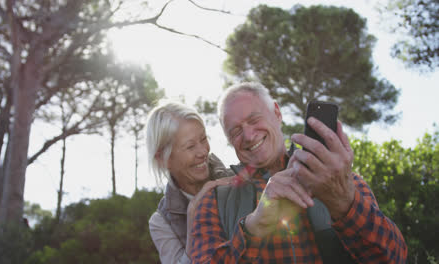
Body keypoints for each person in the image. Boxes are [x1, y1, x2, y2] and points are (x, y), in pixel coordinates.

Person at [189, 82, 407, 263]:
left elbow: (393, 258)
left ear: (277, 112)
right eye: (235, 131)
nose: (247, 135)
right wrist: (253, 228)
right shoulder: (214, 200)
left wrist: (342, 201)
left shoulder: (340, 179)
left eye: (254, 120)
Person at [146, 101, 234, 264]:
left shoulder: (238, 180)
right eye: (190, 146)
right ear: (163, 159)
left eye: (203, 139)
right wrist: (193, 219)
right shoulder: (161, 222)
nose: (203, 152)